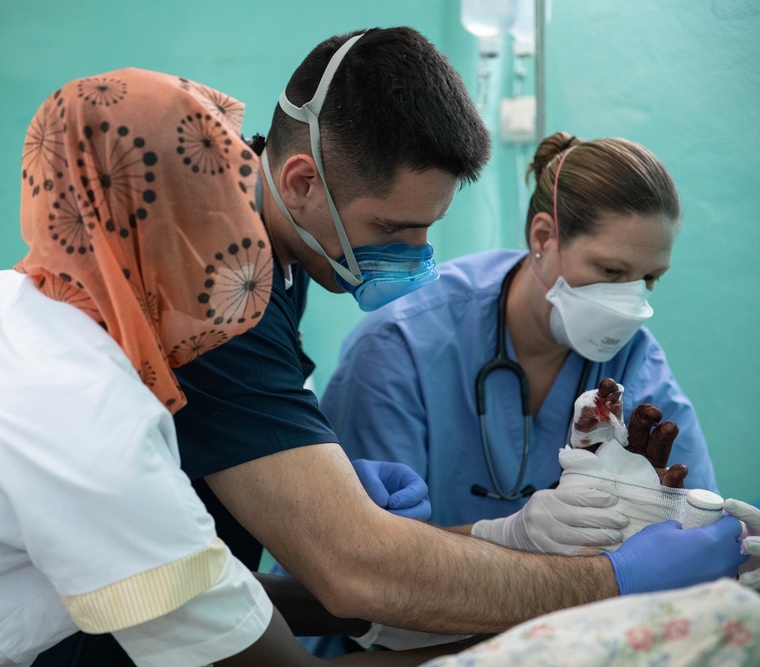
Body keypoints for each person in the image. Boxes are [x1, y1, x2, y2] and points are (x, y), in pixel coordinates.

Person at [37, 25, 752, 666]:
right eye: (393, 229)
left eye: (428, 228)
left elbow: (233, 586)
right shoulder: (218, 290)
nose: (418, 257)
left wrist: (517, 541)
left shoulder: (275, 272)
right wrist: (610, 579)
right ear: (300, 181)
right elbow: (357, 573)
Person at [0, 68, 441, 667]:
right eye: (220, 209)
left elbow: (205, 590)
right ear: (157, 235)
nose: (248, 243)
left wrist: (379, 611)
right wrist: (516, 629)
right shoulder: (89, 422)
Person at [321, 132, 717, 546]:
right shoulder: (404, 344)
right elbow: (359, 550)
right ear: (543, 237)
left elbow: (696, 526)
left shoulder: (633, 362)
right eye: (611, 272)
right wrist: (504, 536)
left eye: (649, 279)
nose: (629, 303)